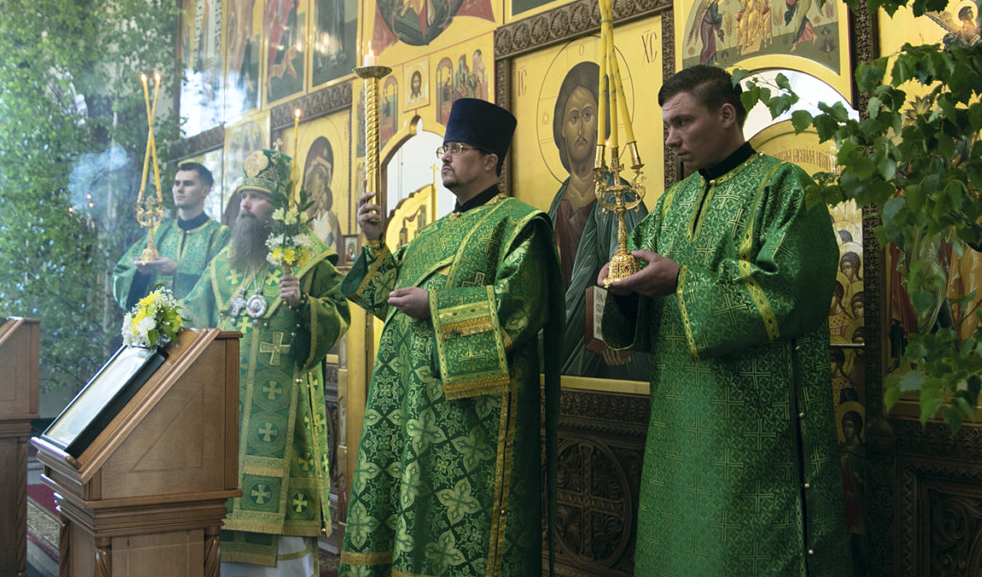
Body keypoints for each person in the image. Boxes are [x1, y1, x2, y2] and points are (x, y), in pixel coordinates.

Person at [600, 65, 852, 575]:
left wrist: (681, 282)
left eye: (682, 123)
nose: (670, 140)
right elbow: (644, 318)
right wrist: (624, 288)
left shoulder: (784, 188)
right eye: (666, 126)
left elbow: (793, 293)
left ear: (726, 114)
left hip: (755, 433)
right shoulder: (673, 203)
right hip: (677, 430)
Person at [338, 98, 564, 576]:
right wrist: (376, 242)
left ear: (490, 162)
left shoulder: (519, 224)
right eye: (443, 149)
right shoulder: (428, 236)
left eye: (457, 148)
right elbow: (389, 304)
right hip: (413, 413)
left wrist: (435, 306)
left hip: (473, 425)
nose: (444, 156)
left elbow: (520, 309)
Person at [183, 149, 350, 575]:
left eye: (256, 197)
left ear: (279, 207)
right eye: (243, 195)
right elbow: (192, 311)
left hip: (284, 413)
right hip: (228, 413)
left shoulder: (308, 257)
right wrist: (156, 321)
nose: (245, 204)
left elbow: (339, 313)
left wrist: (306, 304)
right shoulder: (227, 261)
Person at [547, 61, 649, 379]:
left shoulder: (622, 198)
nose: (579, 128)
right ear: (561, 127)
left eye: (588, 115)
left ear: (599, 126)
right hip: (560, 342)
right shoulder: (554, 205)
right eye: (572, 117)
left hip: (606, 352)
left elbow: (640, 267)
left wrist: (620, 329)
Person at [113, 162, 230, 311]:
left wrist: (179, 272)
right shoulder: (159, 232)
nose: (179, 189)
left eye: (187, 184)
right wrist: (141, 274)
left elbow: (224, 284)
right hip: (156, 328)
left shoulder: (219, 235)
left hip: (198, 331)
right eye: (177, 183)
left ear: (205, 191)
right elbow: (121, 273)